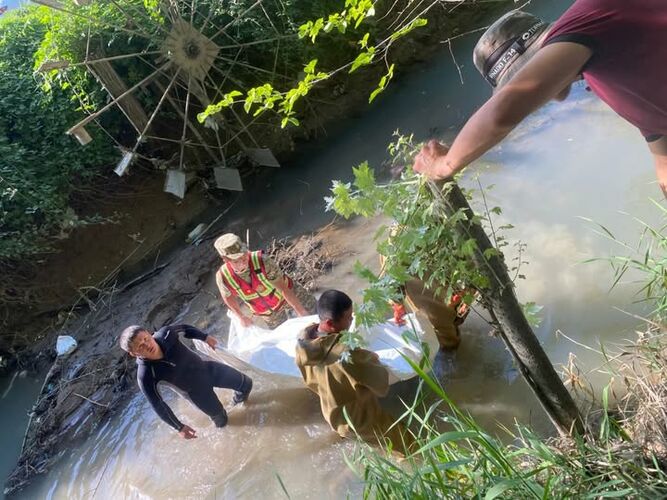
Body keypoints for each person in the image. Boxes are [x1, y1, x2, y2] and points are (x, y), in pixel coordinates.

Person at [413, 2, 667, 197]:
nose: (546, 91)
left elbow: (502, 114)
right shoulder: (601, 70)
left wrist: (443, 165)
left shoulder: (589, 17)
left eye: (534, 66)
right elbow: (656, 135)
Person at [295, 289, 412, 454]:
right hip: (360, 420)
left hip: (333, 415)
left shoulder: (304, 340)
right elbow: (379, 379)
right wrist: (370, 356)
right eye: (349, 318)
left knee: (372, 443)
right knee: (405, 444)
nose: (352, 320)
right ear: (330, 323)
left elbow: (311, 382)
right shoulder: (345, 353)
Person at [119, 323, 252, 439]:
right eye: (140, 347)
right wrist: (179, 427)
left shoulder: (166, 334)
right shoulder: (146, 375)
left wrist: (205, 337)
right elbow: (158, 404)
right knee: (222, 420)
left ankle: (237, 402)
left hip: (208, 370)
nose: (147, 345)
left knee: (246, 384)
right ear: (133, 353)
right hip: (196, 393)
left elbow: (186, 328)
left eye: (146, 339)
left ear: (149, 333)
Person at [214, 233, 315, 329]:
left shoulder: (262, 261)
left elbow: (283, 288)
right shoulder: (223, 277)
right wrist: (241, 317)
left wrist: (300, 310)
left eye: (244, 256)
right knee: (283, 334)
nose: (243, 261)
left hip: (290, 293)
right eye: (236, 260)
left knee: (314, 314)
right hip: (268, 313)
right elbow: (228, 297)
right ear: (225, 260)